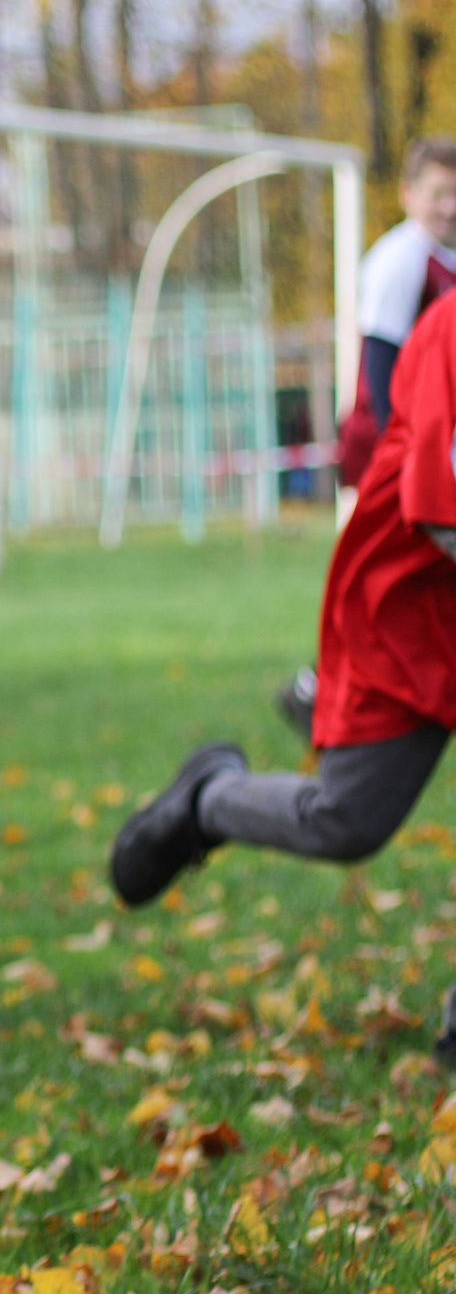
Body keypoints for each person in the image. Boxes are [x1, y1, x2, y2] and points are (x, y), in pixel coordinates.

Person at [112, 288, 456, 1069]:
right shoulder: (451, 329)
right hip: (406, 603)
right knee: (346, 821)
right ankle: (208, 798)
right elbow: (438, 506)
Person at [274, 138, 456, 740]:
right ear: (408, 194)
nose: (450, 206)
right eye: (438, 193)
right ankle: (322, 690)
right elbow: (382, 369)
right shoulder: (401, 260)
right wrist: (404, 462)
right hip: (391, 452)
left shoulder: (443, 260)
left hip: (418, 453)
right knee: (374, 582)